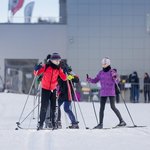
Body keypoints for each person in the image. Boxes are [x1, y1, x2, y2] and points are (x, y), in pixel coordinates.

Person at [87, 57, 126, 129]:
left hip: (111, 92)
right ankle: (100, 124)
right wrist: (90, 79)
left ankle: (122, 121)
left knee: (113, 107)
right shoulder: (101, 72)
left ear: (108, 64)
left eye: (104, 63)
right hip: (103, 92)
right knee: (101, 108)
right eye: (102, 63)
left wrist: (115, 77)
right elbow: (95, 80)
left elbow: (117, 81)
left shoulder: (112, 72)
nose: (103, 65)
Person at [34, 53, 67, 130]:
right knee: (44, 107)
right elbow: (36, 74)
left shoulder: (58, 69)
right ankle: (41, 124)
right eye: (56, 60)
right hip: (45, 89)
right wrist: (36, 69)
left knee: (53, 108)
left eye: (59, 60)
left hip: (53, 89)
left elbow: (64, 78)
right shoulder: (46, 67)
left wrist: (64, 71)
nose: (58, 62)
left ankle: (54, 124)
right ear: (52, 60)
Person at [57, 61, 79, 129]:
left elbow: (77, 79)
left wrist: (70, 76)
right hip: (61, 93)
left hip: (68, 93)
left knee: (66, 109)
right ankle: (57, 121)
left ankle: (74, 123)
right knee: (56, 106)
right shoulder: (58, 72)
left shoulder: (69, 71)